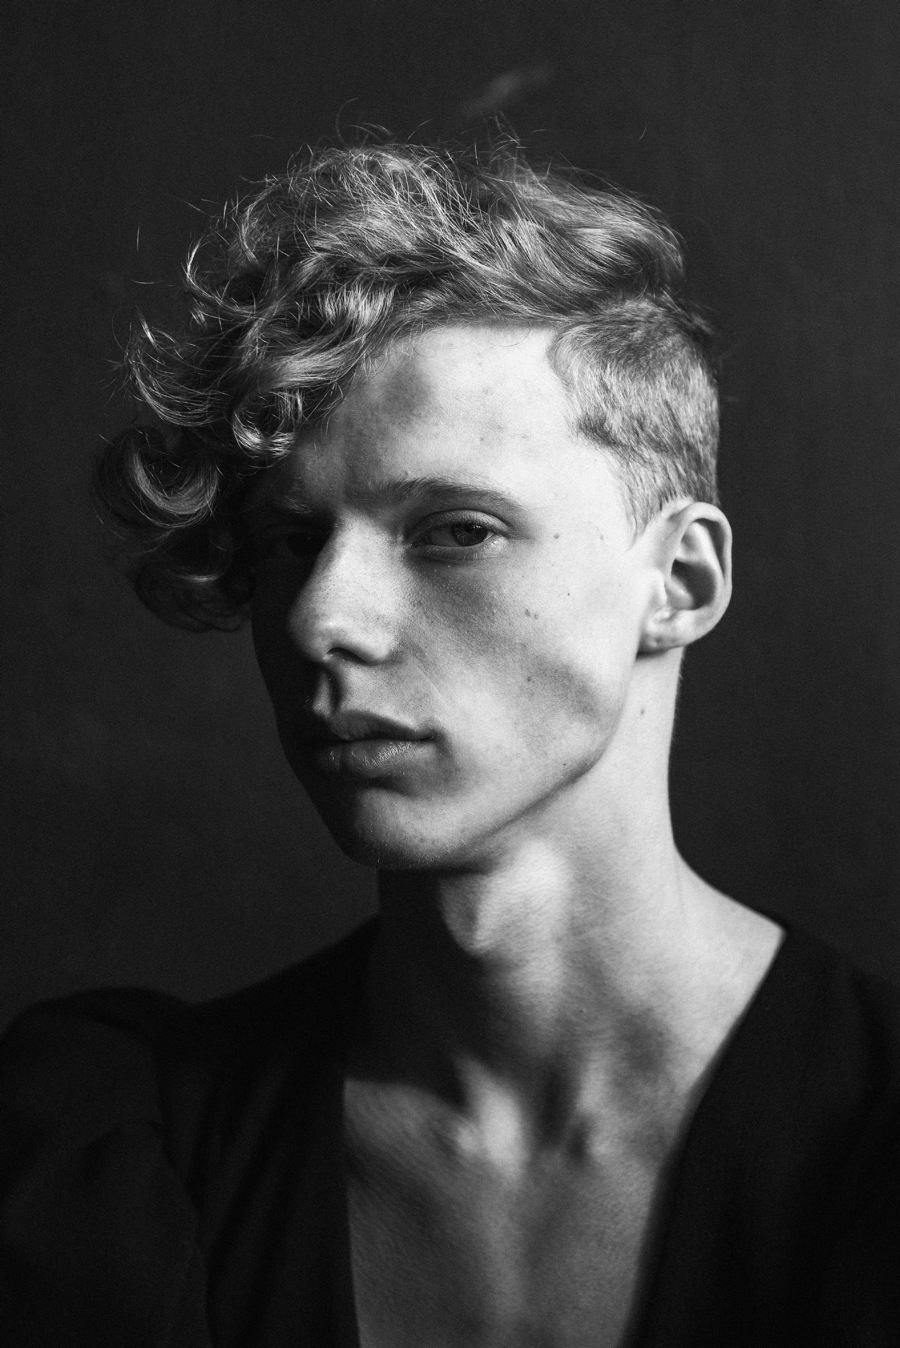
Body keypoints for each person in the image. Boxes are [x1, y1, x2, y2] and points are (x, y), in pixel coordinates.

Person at [1, 141, 898, 1348]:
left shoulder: (872, 1148)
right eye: (289, 542)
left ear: (680, 580)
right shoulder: (110, 1162)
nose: (322, 619)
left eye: (456, 530)